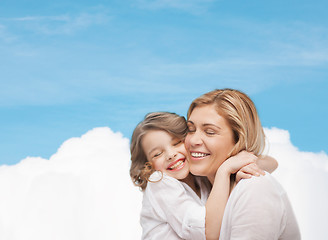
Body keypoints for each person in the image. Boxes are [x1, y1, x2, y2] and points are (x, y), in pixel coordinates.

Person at [130, 112, 277, 239]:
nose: (170, 154)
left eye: (177, 143)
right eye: (157, 154)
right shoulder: (160, 182)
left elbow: (272, 164)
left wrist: (236, 162)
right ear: (148, 166)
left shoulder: (200, 176)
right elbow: (207, 232)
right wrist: (225, 170)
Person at [185, 88, 301, 240]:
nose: (193, 140)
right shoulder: (199, 186)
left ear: (239, 139)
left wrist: (225, 170)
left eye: (210, 132)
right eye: (190, 129)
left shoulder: (254, 188)